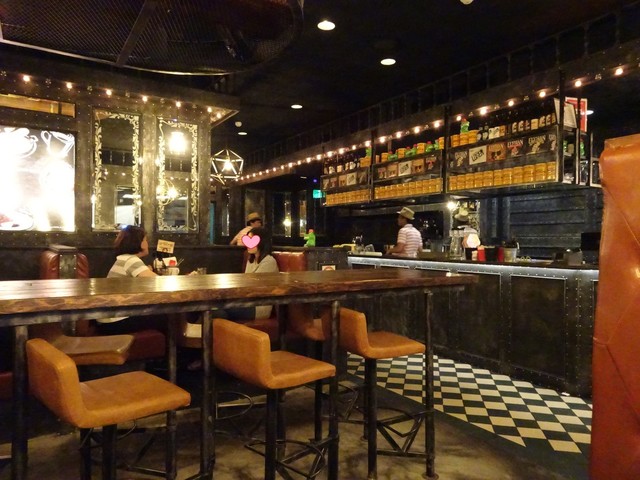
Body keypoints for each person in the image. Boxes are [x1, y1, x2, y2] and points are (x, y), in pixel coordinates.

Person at [97, 225, 163, 334]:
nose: (147, 243)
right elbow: (160, 283)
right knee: (168, 316)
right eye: (145, 240)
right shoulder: (131, 260)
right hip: (115, 322)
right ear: (138, 242)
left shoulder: (124, 259)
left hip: (107, 320)